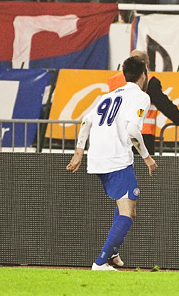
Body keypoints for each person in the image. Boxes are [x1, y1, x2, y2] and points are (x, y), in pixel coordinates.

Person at [66, 55, 158, 271]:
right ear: (144, 75)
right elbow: (133, 130)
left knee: (125, 203)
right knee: (128, 211)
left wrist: (79, 152)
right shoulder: (141, 96)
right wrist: (147, 157)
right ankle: (100, 262)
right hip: (116, 159)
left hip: (96, 158)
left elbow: (86, 120)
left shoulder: (108, 96)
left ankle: (113, 252)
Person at [109, 50, 179, 155]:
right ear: (146, 64)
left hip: (117, 133)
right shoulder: (150, 81)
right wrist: (178, 118)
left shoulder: (114, 80)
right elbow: (163, 103)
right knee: (142, 169)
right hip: (142, 134)